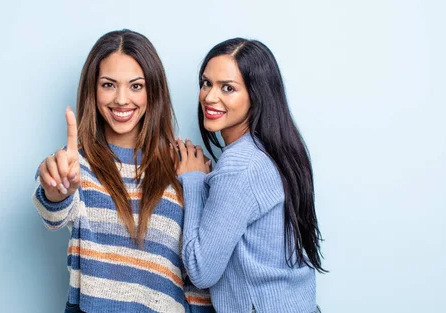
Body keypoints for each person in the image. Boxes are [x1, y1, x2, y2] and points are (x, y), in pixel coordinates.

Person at [33, 29, 213, 313]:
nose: (121, 99)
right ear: (92, 90)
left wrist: (196, 183)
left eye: (136, 86)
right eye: (108, 85)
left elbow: (198, 277)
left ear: (153, 91)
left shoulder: (183, 167)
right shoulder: (76, 165)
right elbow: (53, 210)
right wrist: (56, 189)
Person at [176, 38, 325, 313]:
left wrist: (194, 181)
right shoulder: (271, 150)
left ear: (256, 96)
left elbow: (200, 270)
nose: (209, 97)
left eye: (228, 88)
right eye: (207, 83)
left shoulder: (240, 166)